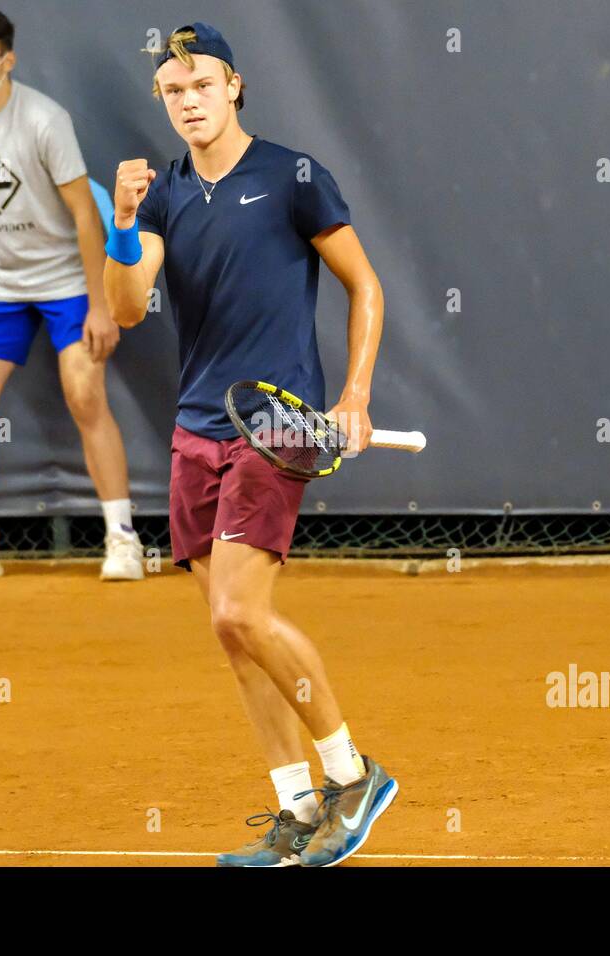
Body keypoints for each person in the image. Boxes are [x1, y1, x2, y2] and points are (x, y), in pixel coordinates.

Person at [102, 23, 397, 866]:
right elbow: (126, 307)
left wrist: (355, 395)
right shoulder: (159, 193)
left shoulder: (294, 176)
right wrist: (122, 219)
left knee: (240, 610)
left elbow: (364, 285)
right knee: (229, 632)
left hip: (272, 422)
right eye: (173, 91)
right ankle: (298, 809)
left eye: (202, 86)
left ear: (233, 88)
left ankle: (353, 774)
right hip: (195, 428)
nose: (188, 102)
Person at [0, 5, 142, 582]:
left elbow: (87, 215)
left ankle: (122, 538)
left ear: (8, 60)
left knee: (85, 392)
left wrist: (98, 303)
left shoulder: (44, 119)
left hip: (67, 278)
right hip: (0, 282)